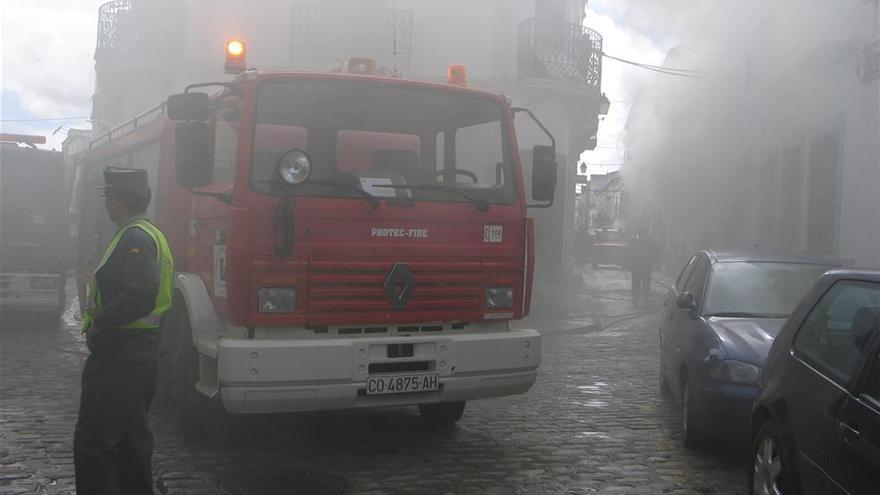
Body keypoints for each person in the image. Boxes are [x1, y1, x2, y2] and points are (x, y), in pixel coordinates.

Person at [74, 167, 174, 495]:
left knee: (96, 442)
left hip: (120, 356)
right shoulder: (147, 232)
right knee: (132, 440)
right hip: (138, 355)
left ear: (118, 200)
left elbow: (140, 294)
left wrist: (101, 321)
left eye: (108, 197)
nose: (106, 204)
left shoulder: (135, 237)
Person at [627, 226, 661, 305]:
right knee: (643, 281)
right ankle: (640, 297)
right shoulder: (647, 240)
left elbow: (628, 250)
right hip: (644, 265)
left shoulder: (636, 240)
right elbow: (657, 250)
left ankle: (637, 298)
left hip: (640, 265)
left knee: (638, 282)